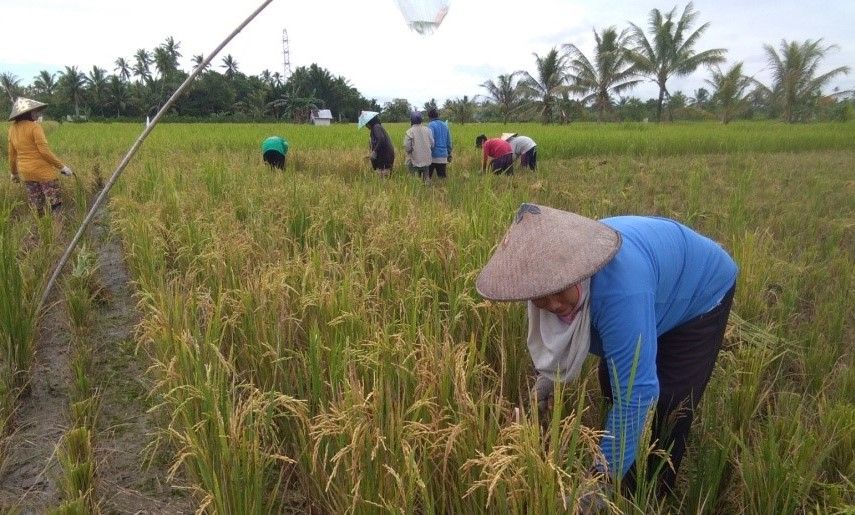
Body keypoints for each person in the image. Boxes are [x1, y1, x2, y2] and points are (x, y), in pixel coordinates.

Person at [476, 204, 738, 495]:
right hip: (652, 285)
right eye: (540, 297)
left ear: (578, 272)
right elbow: (560, 340)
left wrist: (597, 484)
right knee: (612, 380)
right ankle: (625, 455)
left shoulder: (620, 292)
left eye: (560, 291)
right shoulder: (552, 279)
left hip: (698, 291)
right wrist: (547, 379)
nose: (553, 305)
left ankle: (653, 490)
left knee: (670, 401)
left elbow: (637, 394)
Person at [7, 97, 74, 215]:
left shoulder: (12, 129)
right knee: (55, 203)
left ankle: (41, 229)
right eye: (36, 111)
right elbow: (44, 152)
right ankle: (58, 229)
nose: (38, 114)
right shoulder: (35, 127)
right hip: (43, 172)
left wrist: (14, 173)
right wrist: (62, 167)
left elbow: (12, 155)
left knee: (37, 205)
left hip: (26, 173)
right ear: (28, 113)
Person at [358, 111, 395, 178]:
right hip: (385, 158)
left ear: (370, 122)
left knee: (382, 180)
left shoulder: (376, 127)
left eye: (366, 124)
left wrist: (374, 151)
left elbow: (381, 139)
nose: (366, 126)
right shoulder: (377, 128)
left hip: (384, 160)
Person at [403, 112, 434, 184]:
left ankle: (416, 192)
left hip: (414, 160)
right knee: (426, 178)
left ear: (411, 120)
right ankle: (428, 192)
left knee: (414, 179)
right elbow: (432, 144)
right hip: (427, 159)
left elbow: (407, 147)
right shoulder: (428, 130)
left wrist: (412, 151)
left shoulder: (409, 131)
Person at [427, 108, 452, 180]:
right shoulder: (445, 125)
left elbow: (430, 141)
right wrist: (449, 153)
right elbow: (449, 141)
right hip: (443, 156)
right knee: (442, 178)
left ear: (429, 117)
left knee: (427, 178)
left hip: (433, 156)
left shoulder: (431, 125)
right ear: (437, 116)